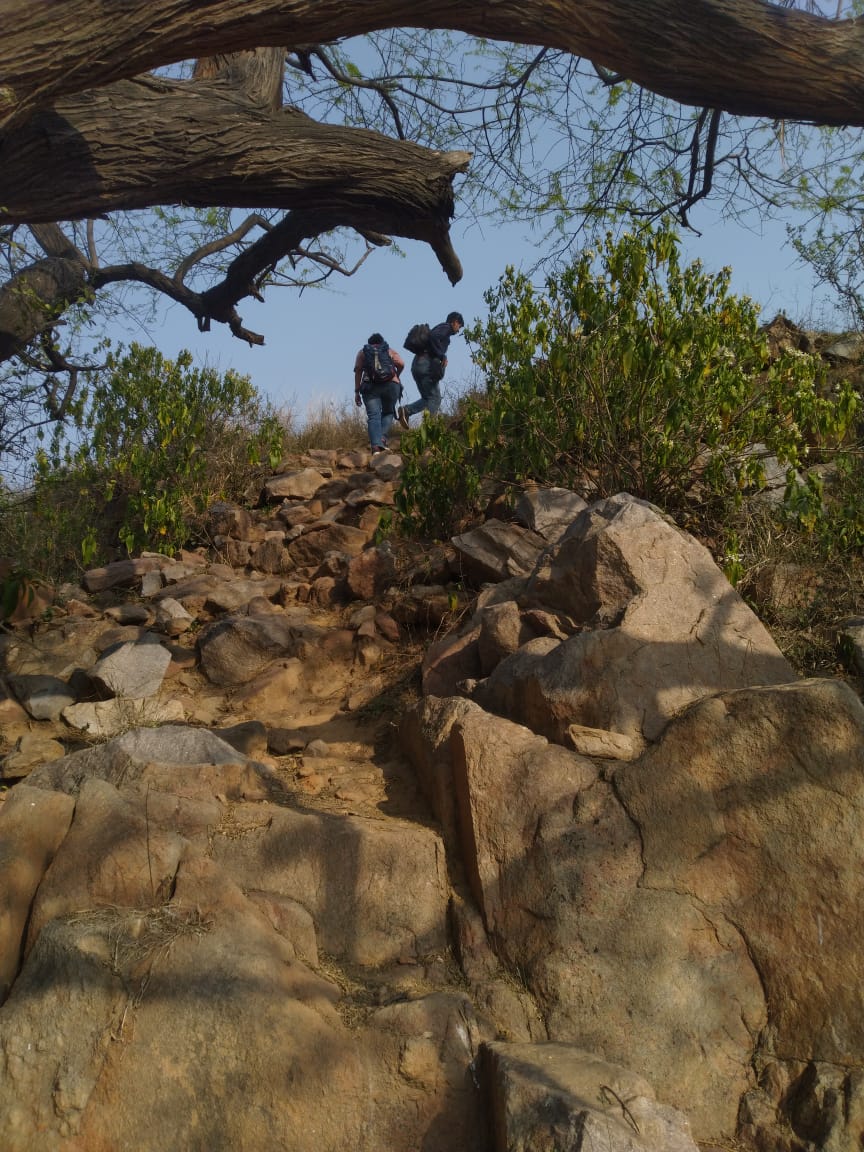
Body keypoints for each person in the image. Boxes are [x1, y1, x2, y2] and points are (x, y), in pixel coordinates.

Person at [397, 311, 464, 428]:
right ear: (455, 322)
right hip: (425, 365)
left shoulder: (442, 329)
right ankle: (430, 429)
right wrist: (441, 355)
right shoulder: (446, 327)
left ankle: (407, 411)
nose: (458, 330)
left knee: (427, 398)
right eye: (459, 326)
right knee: (435, 398)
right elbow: (434, 336)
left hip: (417, 365)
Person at [354, 333, 405, 454]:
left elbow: (358, 371)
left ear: (369, 343)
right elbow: (402, 364)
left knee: (373, 416)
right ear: (382, 342)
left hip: (370, 387)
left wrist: (357, 391)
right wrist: (396, 375)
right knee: (388, 411)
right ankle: (382, 437)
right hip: (391, 385)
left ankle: (376, 447)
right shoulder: (388, 350)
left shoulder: (363, 352)